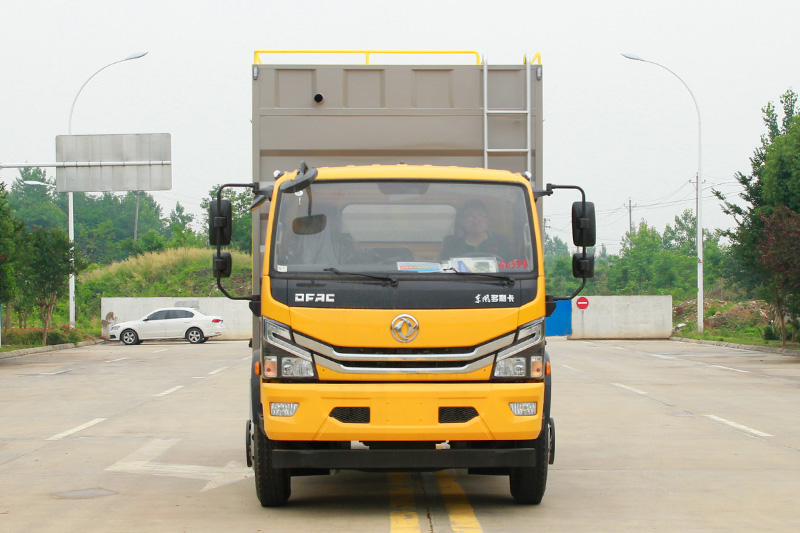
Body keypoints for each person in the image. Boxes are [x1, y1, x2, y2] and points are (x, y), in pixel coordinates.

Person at [440, 199, 511, 260]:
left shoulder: (501, 242)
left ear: (487, 220)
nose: (475, 220)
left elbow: (513, 266)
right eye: (470, 216)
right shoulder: (451, 244)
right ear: (462, 221)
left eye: (480, 215)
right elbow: (445, 268)